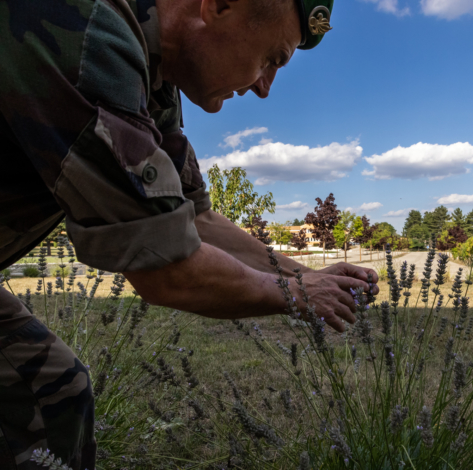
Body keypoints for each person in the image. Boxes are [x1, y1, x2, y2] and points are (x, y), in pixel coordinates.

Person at [0, 0, 377, 468]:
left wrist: (307, 276)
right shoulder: (91, 38)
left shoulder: (154, 79)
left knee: (50, 388)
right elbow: (167, 268)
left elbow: (197, 219)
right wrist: (297, 295)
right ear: (218, 6)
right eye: (272, 59)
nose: (264, 87)